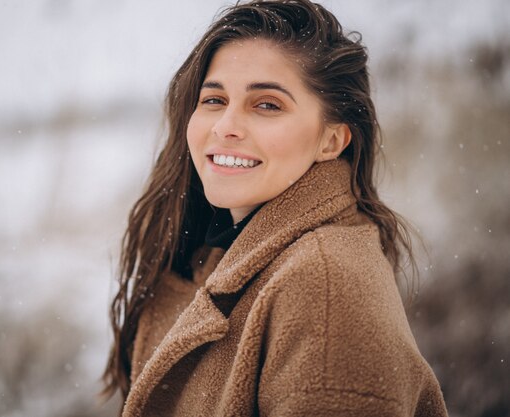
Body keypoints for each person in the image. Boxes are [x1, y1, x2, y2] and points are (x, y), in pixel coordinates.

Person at [103, 1, 448, 415]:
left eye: (267, 104)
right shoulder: (214, 256)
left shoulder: (325, 288)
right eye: (214, 99)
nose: (225, 125)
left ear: (332, 141)